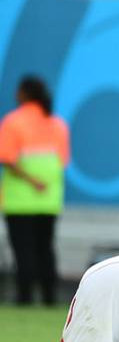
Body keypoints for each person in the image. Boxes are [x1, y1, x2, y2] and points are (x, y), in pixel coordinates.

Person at [0, 76, 69, 305]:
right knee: (45, 249)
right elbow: (62, 160)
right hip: (49, 199)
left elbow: (7, 158)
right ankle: (50, 298)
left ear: (24, 94)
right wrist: (42, 183)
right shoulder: (58, 124)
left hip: (20, 200)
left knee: (24, 252)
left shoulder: (13, 122)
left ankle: (25, 298)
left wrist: (31, 181)